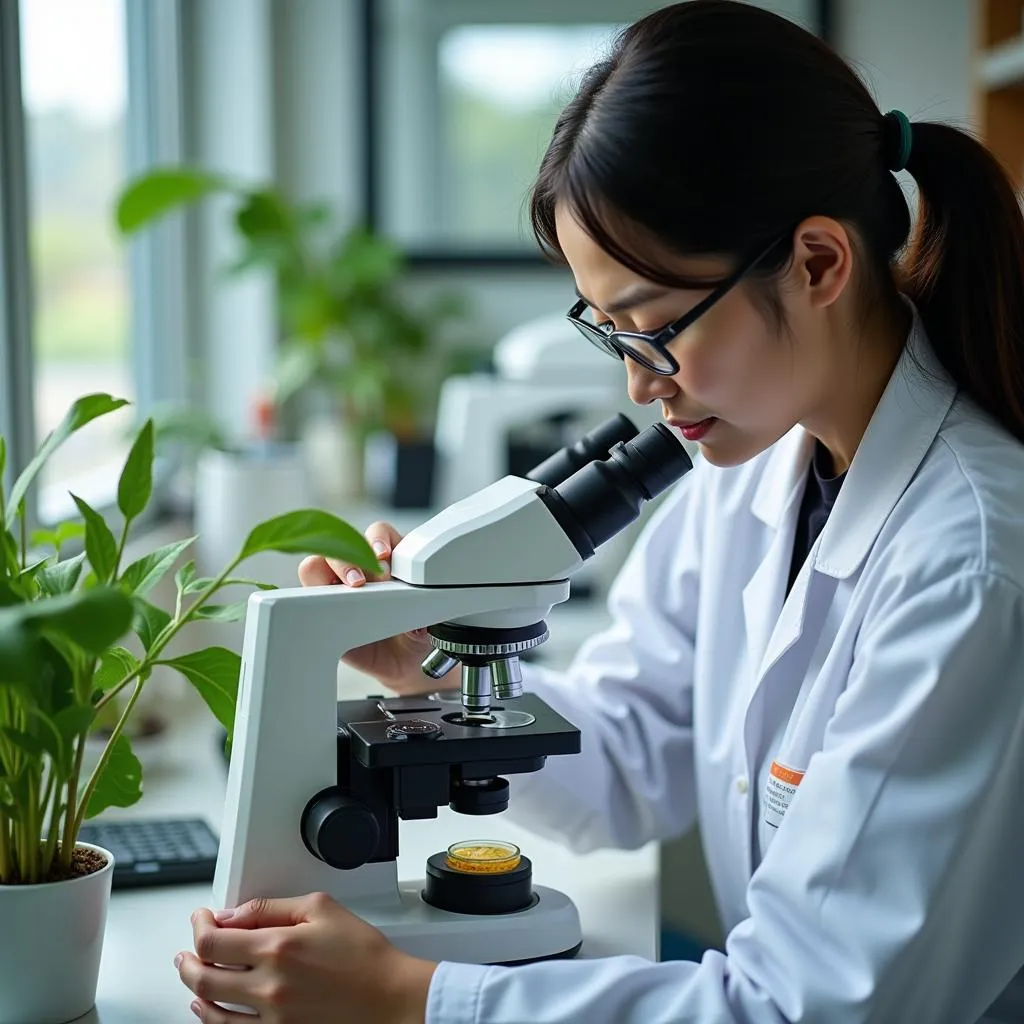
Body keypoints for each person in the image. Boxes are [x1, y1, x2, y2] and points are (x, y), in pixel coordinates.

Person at [175, 2, 1024, 1021]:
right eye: (610, 332)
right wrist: (429, 677)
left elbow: (802, 1008)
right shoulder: (752, 470)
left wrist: (411, 999)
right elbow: (629, 755)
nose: (638, 387)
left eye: (658, 331)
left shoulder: (969, 563)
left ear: (817, 263)